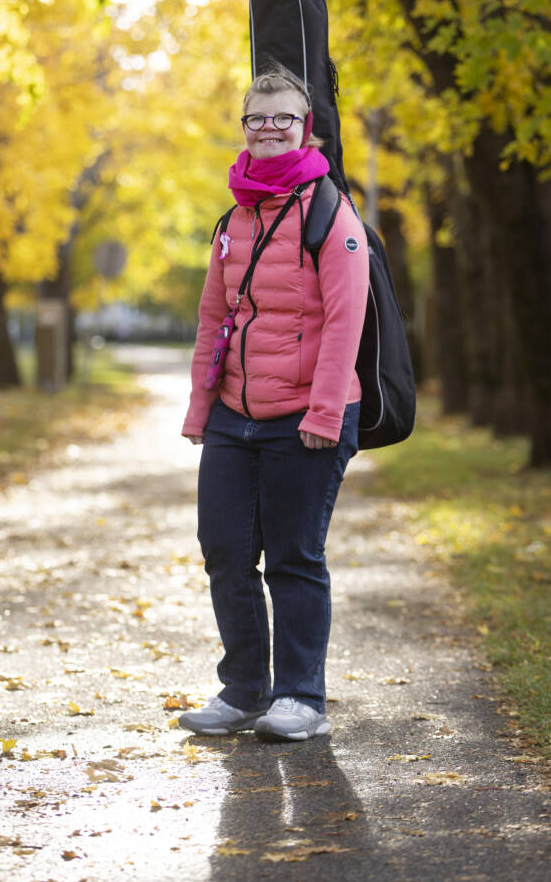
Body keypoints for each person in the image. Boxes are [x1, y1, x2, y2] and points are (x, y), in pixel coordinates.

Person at [179, 63, 368, 742]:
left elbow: (346, 322)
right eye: (257, 117)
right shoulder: (234, 216)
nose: (269, 128)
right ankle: (243, 691)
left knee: (294, 555)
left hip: (307, 417)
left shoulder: (329, 211)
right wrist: (201, 409)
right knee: (225, 551)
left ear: (304, 126)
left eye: (283, 117)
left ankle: (301, 699)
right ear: (245, 127)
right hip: (235, 414)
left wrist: (323, 413)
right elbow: (212, 318)